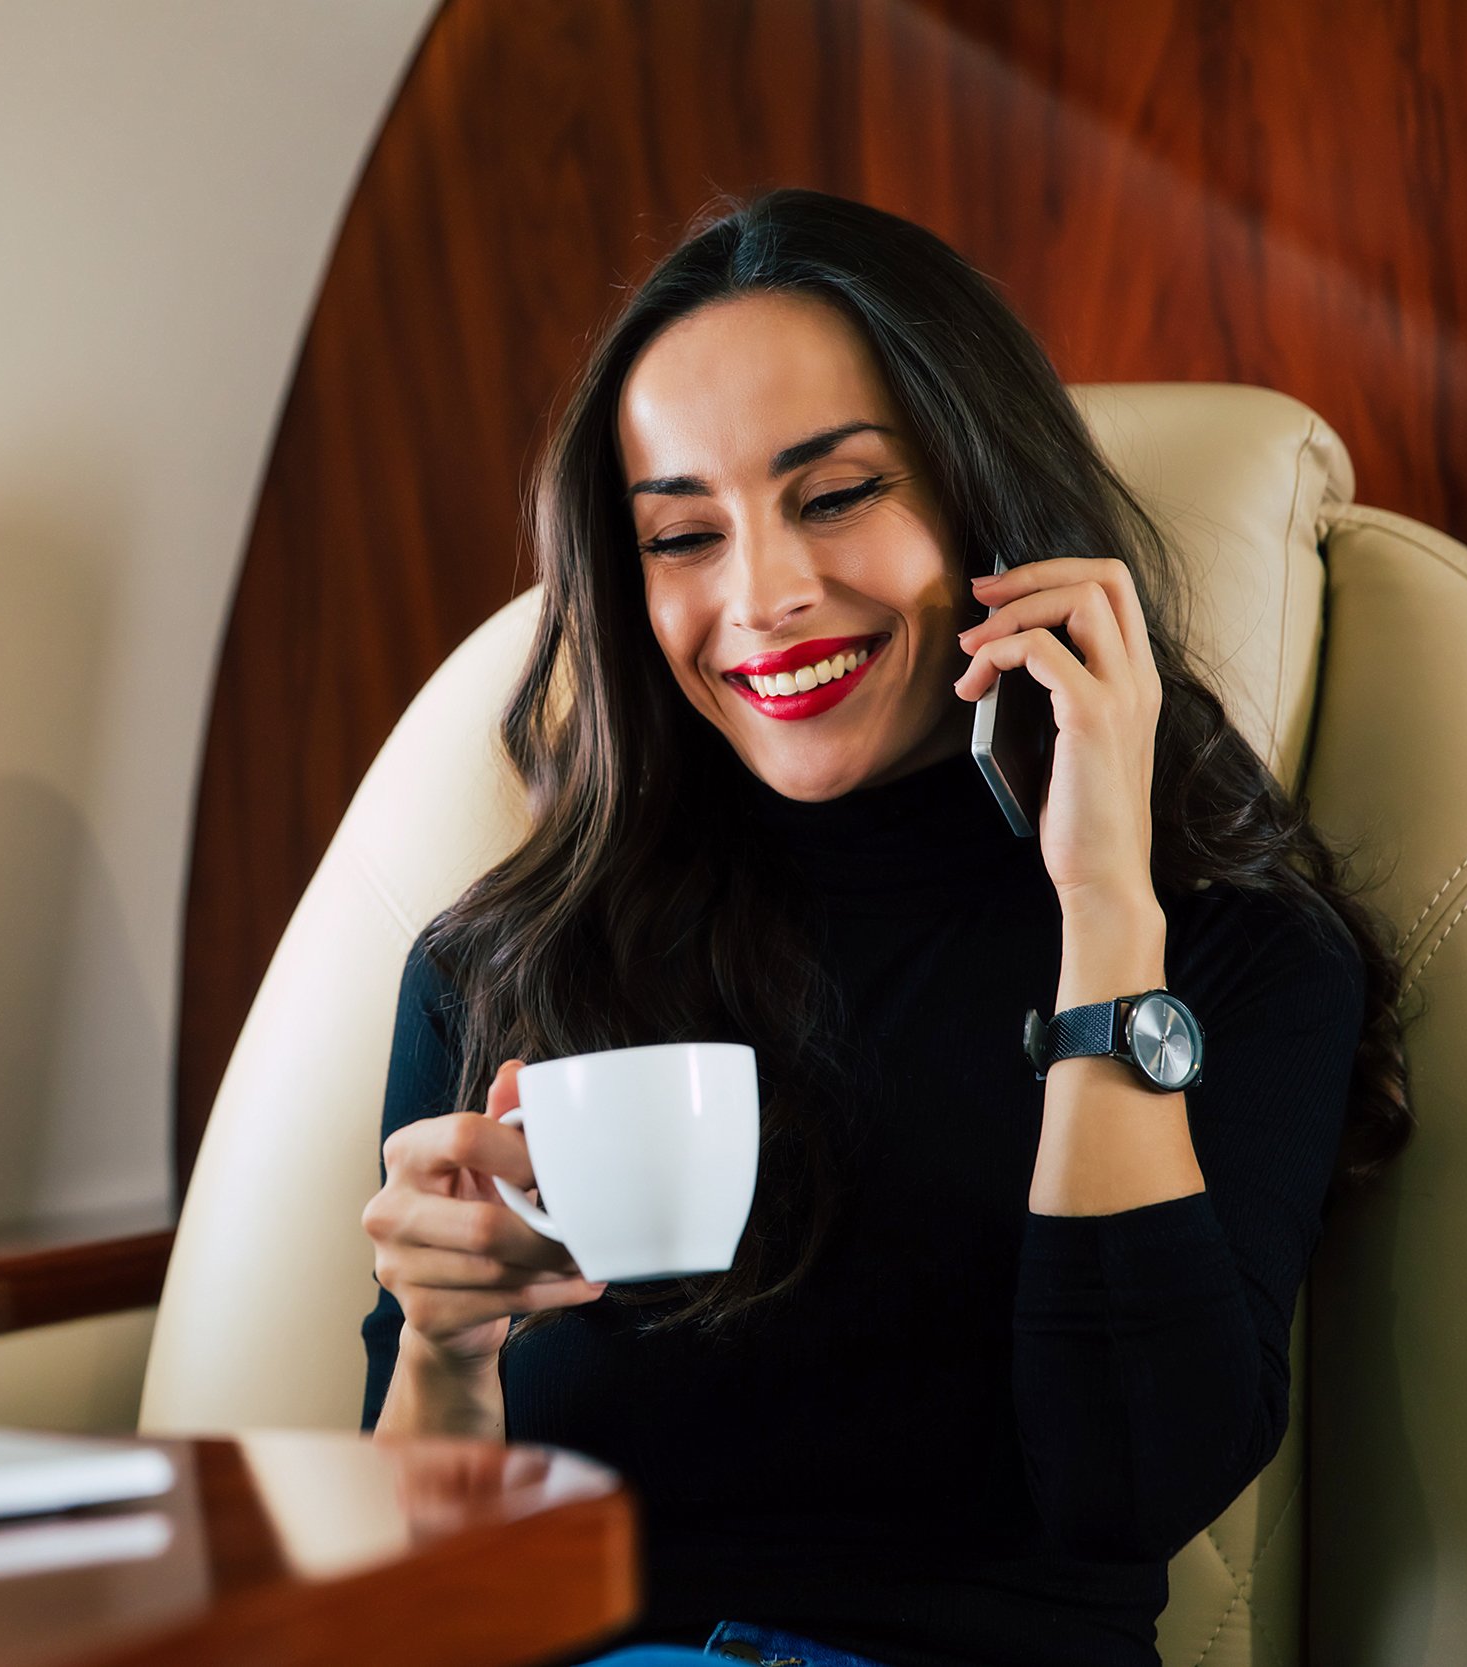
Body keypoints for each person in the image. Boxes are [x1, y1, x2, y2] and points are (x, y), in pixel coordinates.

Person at [355, 188, 1413, 1667]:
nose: (765, 598)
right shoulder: (507, 964)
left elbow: (1131, 1486)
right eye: (681, 535)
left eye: (838, 494)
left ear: (989, 494)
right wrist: (446, 1348)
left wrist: (1105, 908)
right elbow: (426, 1612)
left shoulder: (1224, 956)